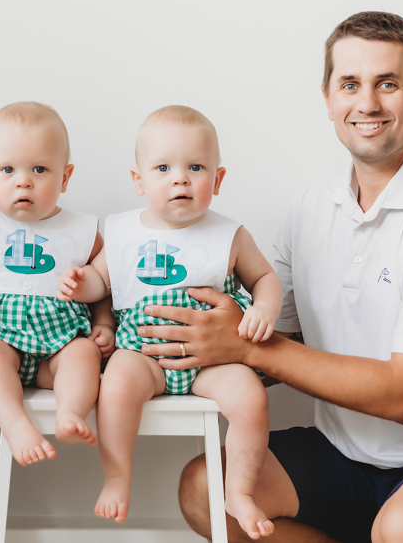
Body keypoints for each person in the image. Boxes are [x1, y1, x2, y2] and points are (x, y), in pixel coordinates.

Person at [140, 13, 403, 543]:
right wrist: (145, 348)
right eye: (350, 85)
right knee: (207, 490)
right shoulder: (310, 210)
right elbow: (270, 337)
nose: (367, 103)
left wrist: (246, 351)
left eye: (388, 84)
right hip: (348, 454)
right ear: (328, 99)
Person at [59, 105, 283, 539]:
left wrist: (263, 309)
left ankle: (239, 489)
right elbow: (101, 281)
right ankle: (117, 475)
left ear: (216, 181)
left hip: (211, 361)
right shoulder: (123, 231)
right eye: (163, 167)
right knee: (118, 386)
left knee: (251, 398)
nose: (180, 178)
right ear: (139, 180)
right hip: (143, 353)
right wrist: (80, 282)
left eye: (195, 167)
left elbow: (266, 277)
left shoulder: (229, 234)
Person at [0, 102, 114, 467]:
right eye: (7, 169)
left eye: (39, 169)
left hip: (58, 344)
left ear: (65, 178)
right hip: (0, 337)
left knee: (84, 354)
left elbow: (102, 283)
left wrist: (103, 323)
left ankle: (70, 412)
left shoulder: (81, 230)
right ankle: (15, 425)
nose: (24, 181)